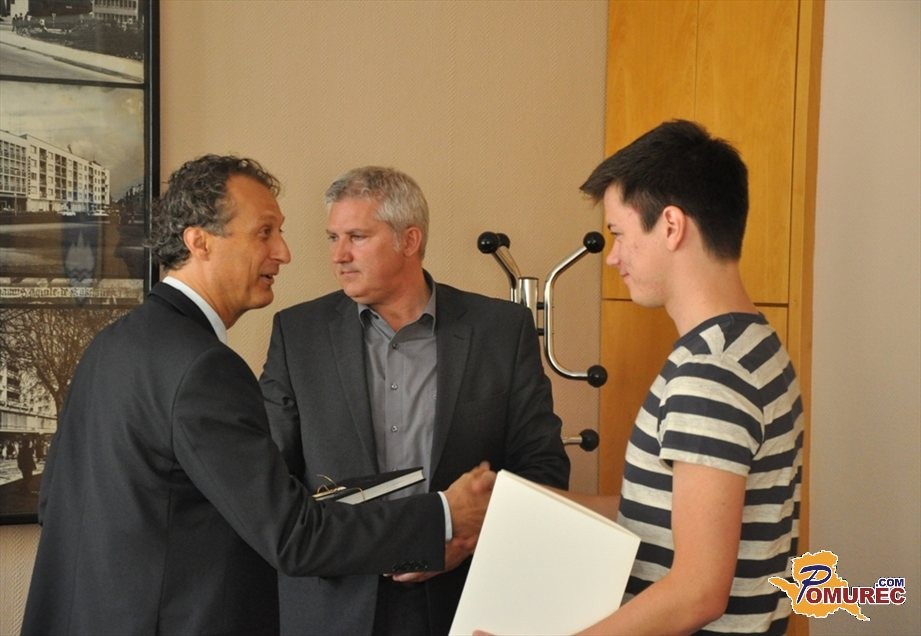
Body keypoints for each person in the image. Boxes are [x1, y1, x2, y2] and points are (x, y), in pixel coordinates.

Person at [21, 155, 495, 636]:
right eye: (265, 232)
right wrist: (443, 515)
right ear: (199, 242)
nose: (284, 252)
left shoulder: (111, 344)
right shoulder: (204, 368)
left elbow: (54, 504)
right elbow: (293, 536)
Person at [259, 166, 570, 636]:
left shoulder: (500, 331)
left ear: (409, 240)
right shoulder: (298, 333)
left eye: (357, 237)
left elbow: (543, 469)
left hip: (461, 600)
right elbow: (270, 480)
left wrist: (467, 540)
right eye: (333, 238)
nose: (338, 255)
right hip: (335, 602)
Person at [541, 120, 802, 635]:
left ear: (671, 226)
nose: (613, 257)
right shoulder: (753, 346)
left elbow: (697, 592)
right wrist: (521, 501)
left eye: (618, 233)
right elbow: (661, 512)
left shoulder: (711, 373)